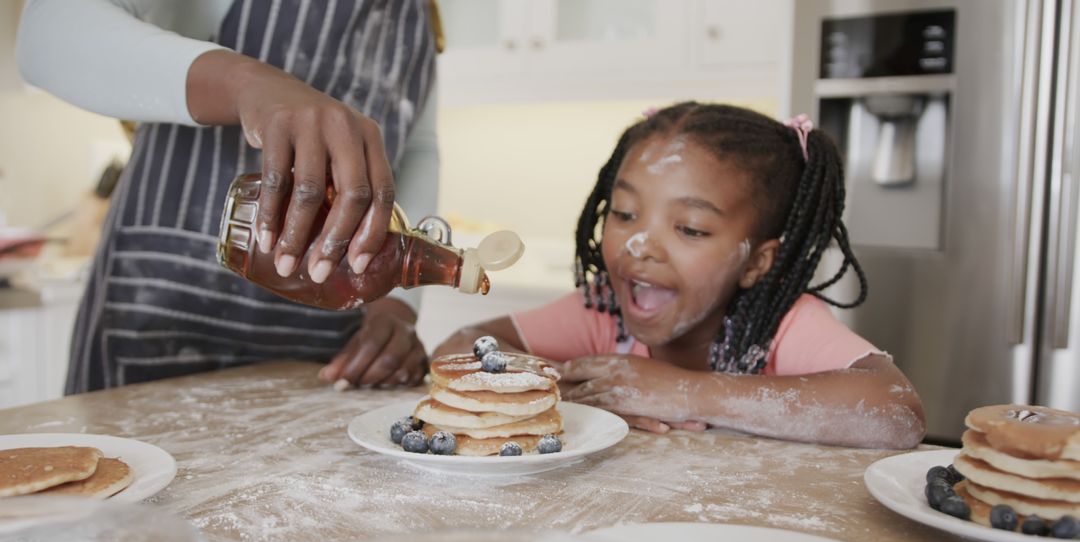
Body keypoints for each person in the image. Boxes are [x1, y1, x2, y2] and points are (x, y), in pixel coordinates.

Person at [435, 102, 926, 449]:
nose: (640, 245)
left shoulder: (781, 326)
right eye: (624, 214)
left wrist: (680, 391)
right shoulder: (602, 310)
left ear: (758, 262)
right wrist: (584, 388)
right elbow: (460, 345)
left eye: (689, 228)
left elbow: (897, 412)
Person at [17, 0, 439, 393]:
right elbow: (47, 35)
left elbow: (414, 144)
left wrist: (396, 303)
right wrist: (249, 85)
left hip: (328, 336)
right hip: (161, 310)